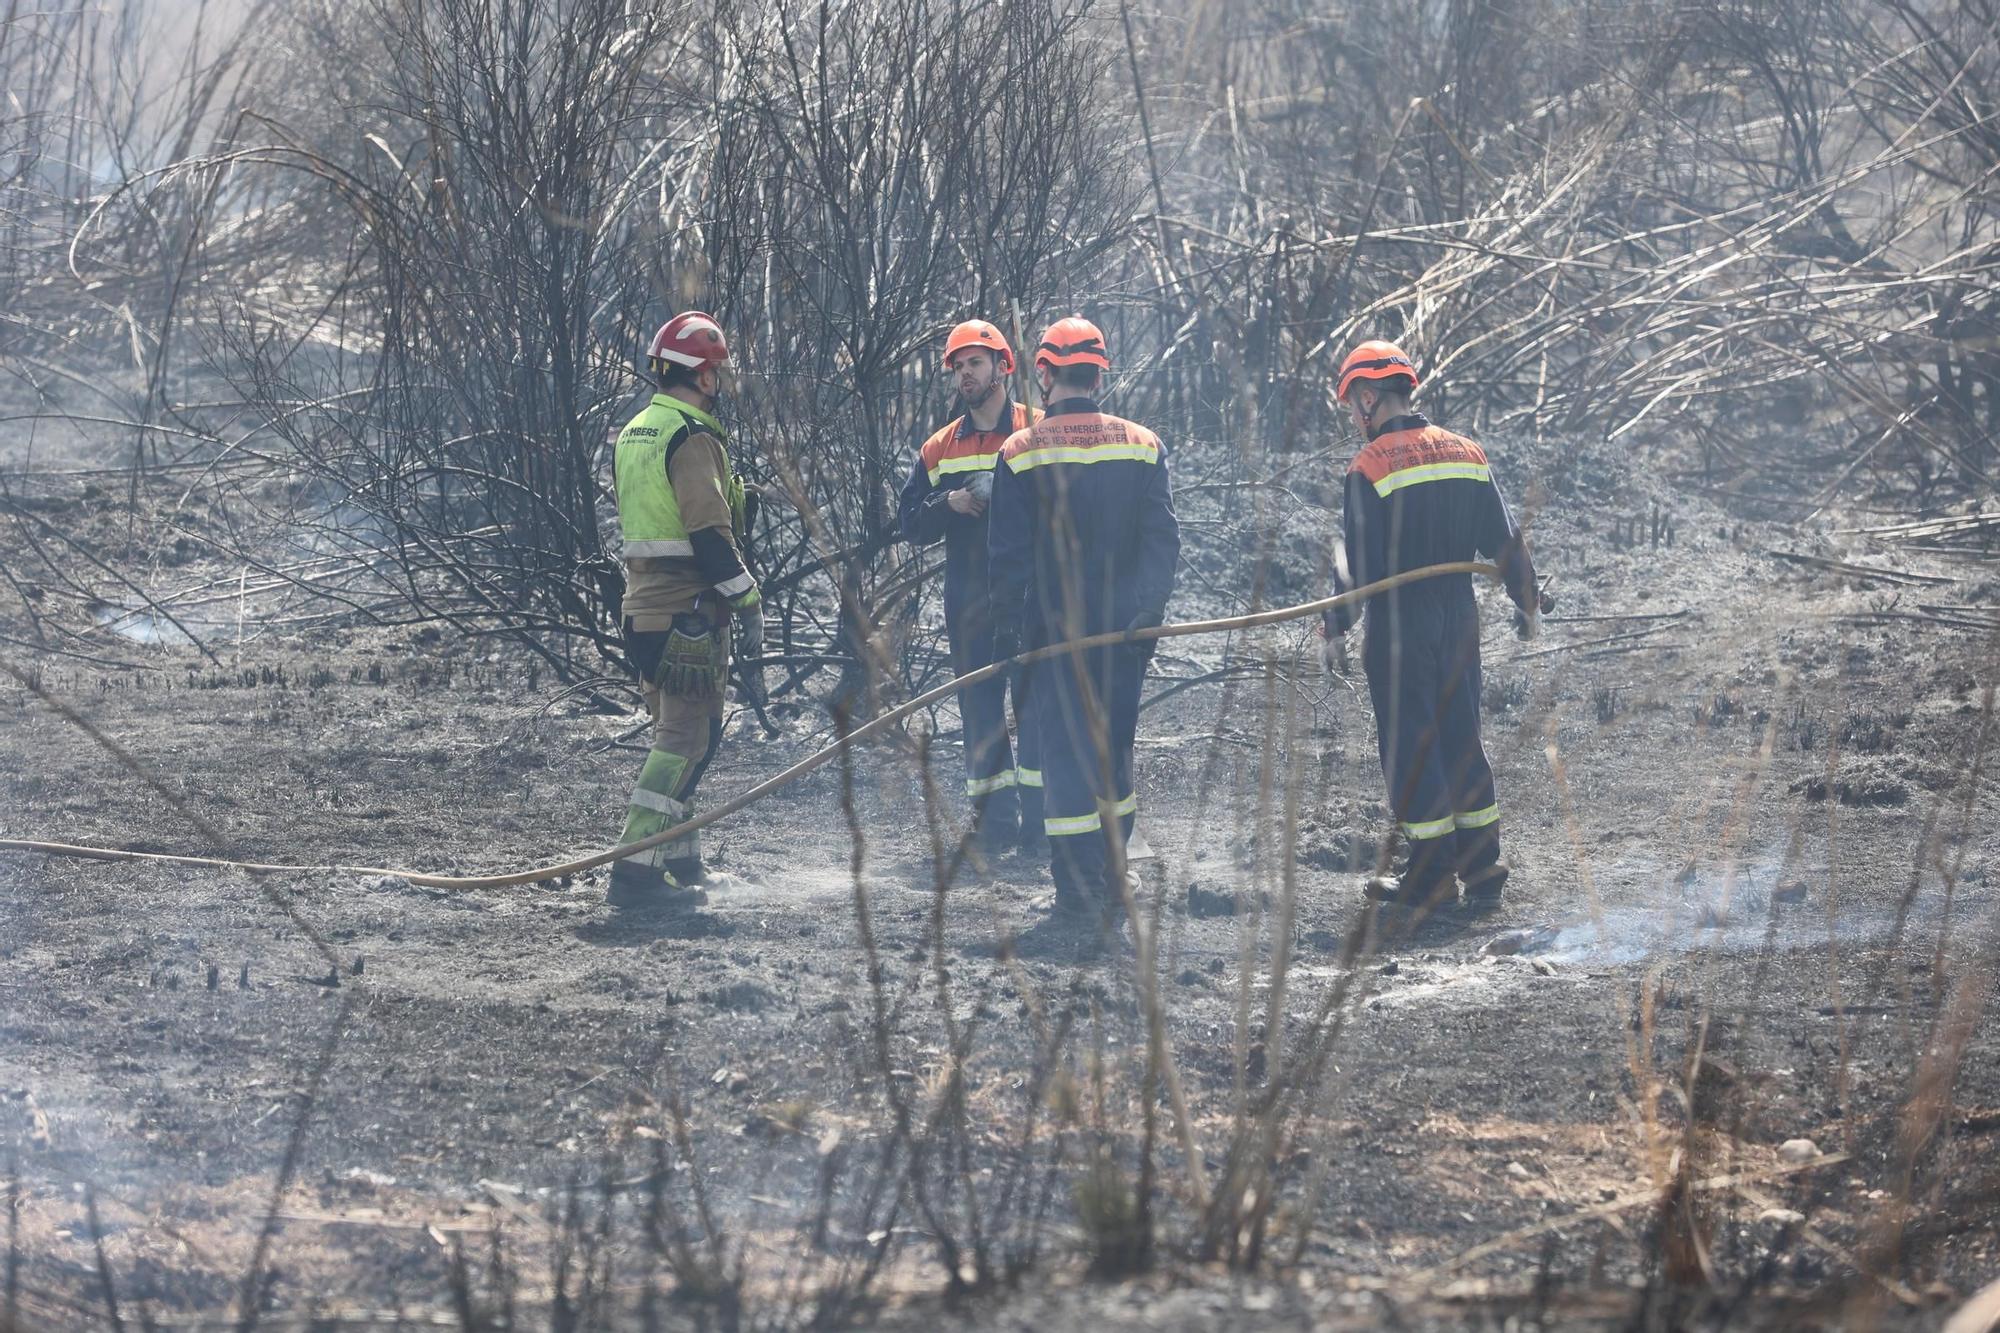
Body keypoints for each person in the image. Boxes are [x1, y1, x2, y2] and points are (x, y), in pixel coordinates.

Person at [1322, 339, 1538, 916]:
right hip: (1459, 618)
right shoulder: (1467, 451)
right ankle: (1484, 866)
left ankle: (1432, 878)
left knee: (1412, 747)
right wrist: (1527, 597)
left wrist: (1334, 625)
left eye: (1352, 405)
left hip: (1400, 625)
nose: (1353, 418)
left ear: (1368, 397)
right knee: (1462, 736)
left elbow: (1360, 568)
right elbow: (1503, 538)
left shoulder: (1368, 466)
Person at [988, 317, 1179, 949]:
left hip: (1055, 634)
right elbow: (1161, 541)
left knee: (1067, 758)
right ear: (1100, 373)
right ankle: (1114, 871)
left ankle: (1077, 888)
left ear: (1043, 375)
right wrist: (1148, 613)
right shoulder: (1143, 443)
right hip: (1124, 635)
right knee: (1114, 751)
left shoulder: (1019, 452)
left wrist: (1009, 633)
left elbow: (1009, 559)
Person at [606, 311, 766, 911]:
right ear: (701, 375)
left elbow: (657, 517)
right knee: (683, 741)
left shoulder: (637, 430)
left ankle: (682, 863)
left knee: (681, 737)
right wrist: (749, 601)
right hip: (686, 614)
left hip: (641, 611)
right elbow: (706, 534)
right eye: (717, 371)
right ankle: (635, 871)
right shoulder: (694, 435)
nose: (720, 382)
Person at [898, 320, 1043, 862]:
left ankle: (1041, 822)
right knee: (980, 712)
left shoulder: (1040, 428)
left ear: (1004, 367)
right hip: (969, 602)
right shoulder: (940, 448)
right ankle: (995, 821)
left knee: (1034, 708)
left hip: (1030, 600)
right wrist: (949, 505)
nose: (965, 375)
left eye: (975, 364)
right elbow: (909, 523)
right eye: (958, 367)